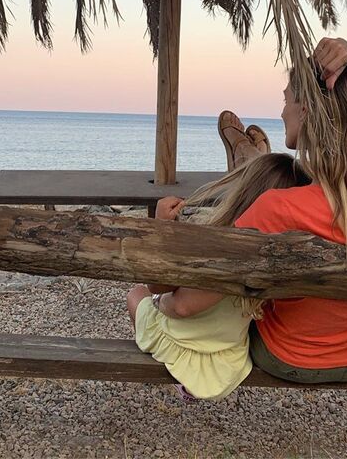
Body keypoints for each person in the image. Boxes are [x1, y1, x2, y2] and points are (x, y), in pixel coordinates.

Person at [222, 37, 347, 383]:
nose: (282, 111)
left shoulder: (276, 208)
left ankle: (249, 164)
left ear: (305, 110)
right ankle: (252, 160)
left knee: (275, 177)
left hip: (293, 355)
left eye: (286, 100)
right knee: (292, 176)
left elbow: (208, 281)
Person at [126, 153, 311, 400]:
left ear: (243, 192)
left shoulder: (224, 247)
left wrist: (163, 228)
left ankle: (171, 367)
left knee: (136, 294)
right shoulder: (282, 257)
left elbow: (165, 292)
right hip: (228, 352)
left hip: (186, 346)